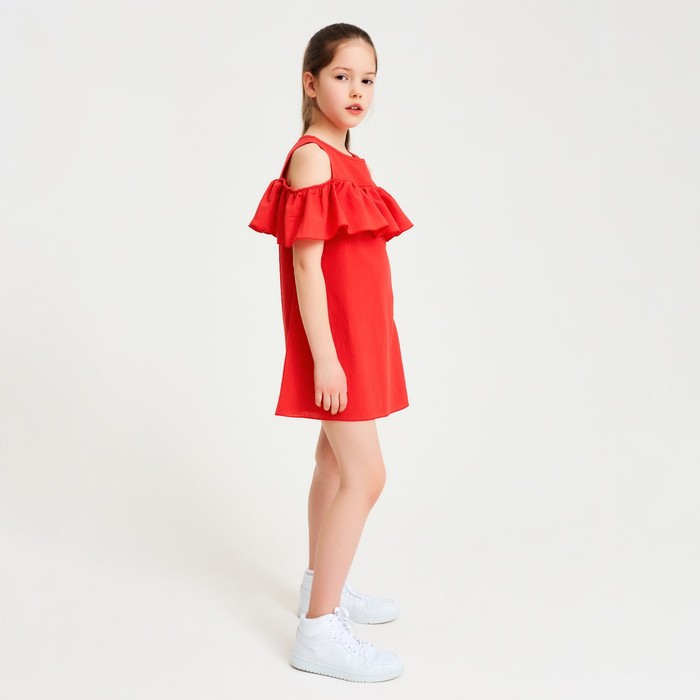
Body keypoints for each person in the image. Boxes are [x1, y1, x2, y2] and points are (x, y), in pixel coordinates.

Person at [248, 22, 413, 683]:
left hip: (359, 334)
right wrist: (326, 357)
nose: (357, 90)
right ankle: (318, 631)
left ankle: (324, 585)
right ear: (311, 83)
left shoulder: (349, 161)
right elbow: (305, 266)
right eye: (342, 76)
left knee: (332, 461)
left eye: (367, 79)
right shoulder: (313, 157)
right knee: (366, 475)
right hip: (336, 342)